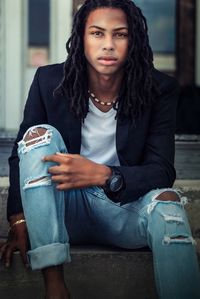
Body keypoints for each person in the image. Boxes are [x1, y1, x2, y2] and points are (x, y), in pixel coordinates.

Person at [0, 0, 200, 298]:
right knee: (37, 135)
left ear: (134, 41)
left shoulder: (158, 89)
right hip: (64, 212)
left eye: (120, 34)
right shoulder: (49, 81)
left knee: (169, 204)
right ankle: (54, 286)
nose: (108, 44)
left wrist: (103, 174)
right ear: (81, 38)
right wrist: (19, 218)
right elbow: (21, 154)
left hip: (124, 211)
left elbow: (161, 171)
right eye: (97, 33)